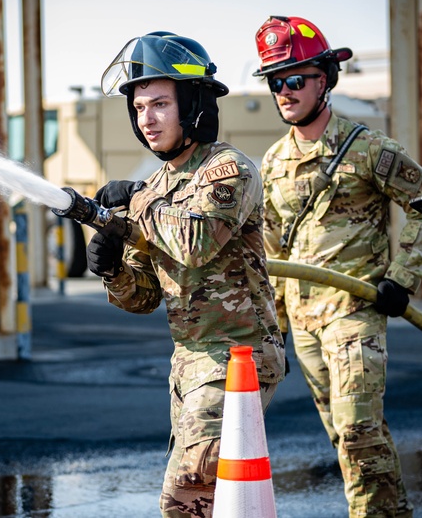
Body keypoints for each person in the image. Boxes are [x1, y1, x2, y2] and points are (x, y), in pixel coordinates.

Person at [87, 31, 286, 518]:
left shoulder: (226, 170)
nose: (146, 119)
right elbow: (145, 297)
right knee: (212, 502)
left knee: (185, 498)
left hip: (238, 357)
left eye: (158, 104)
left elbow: (196, 244)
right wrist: (113, 267)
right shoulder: (157, 185)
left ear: (193, 104)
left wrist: (136, 202)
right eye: (138, 109)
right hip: (191, 365)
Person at [253, 15, 422, 517]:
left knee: (358, 429)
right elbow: (272, 252)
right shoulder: (272, 162)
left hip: (356, 313)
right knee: (346, 438)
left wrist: (402, 278)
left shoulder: (369, 149)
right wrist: (275, 331)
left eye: (295, 79)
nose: (285, 92)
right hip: (305, 321)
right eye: (276, 82)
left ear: (324, 80)